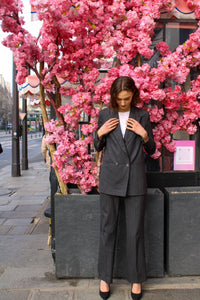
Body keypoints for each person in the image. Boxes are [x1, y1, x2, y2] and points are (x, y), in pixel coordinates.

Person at [94, 76, 156, 300]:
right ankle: (104, 277)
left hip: (135, 180)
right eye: (119, 99)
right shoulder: (105, 114)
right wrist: (99, 133)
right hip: (110, 179)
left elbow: (151, 149)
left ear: (133, 95)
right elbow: (98, 145)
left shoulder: (142, 116)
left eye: (127, 98)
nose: (122, 103)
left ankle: (136, 279)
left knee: (135, 232)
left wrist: (144, 133)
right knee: (107, 229)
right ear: (113, 97)